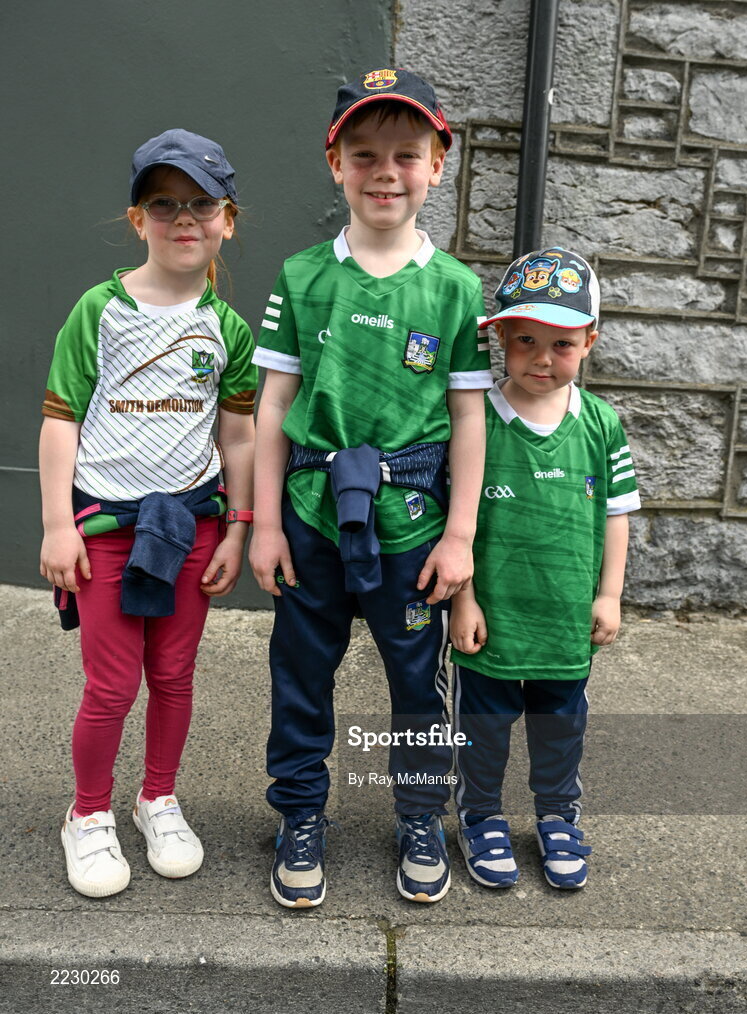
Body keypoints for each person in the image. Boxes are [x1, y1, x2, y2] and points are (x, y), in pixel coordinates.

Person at [250, 68, 492, 908]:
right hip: (313, 517)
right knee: (300, 677)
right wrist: (264, 525)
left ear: (437, 162)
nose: (384, 171)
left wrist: (459, 533)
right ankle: (301, 814)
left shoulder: (457, 289)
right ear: (335, 164)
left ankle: (422, 816)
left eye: (405, 154)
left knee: (416, 680)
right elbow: (274, 404)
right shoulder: (301, 276)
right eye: (364, 154)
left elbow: (469, 421)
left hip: (412, 528)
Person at [39, 129, 257, 898]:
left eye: (201, 203)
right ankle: (88, 813)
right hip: (105, 531)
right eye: (163, 203)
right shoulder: (98, 310)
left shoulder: (229, 330)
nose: (183, 218)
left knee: (173, 673)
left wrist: (237, 527)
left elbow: (237, 432)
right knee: (110, 685)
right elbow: (61, 418)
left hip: (190, 529)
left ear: (228, 218)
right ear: (138, 221)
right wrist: (58, 524)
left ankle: (156, 797)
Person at [450, 248, 640, 890]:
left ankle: (558, 817)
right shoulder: (476, 419)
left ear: (589, 341)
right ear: (499, 335)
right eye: (524, 339)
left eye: (560, 344)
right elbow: (459, 519)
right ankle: (480, 816)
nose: (540, 358)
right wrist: (463, 599)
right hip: (493, 618)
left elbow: (616, 515)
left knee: (560, 731)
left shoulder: (601, 425)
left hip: (564, 620)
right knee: (484, 732)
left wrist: (609, 595)